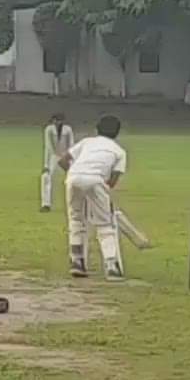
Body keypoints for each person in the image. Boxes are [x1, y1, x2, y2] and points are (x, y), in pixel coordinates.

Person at [58, 114, 127, 282]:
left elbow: (63, 161)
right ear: (117, 133)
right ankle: (111, 266)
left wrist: (77, 175)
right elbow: (112, 182)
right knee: (105, 224)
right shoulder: (119, 151)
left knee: (76, 220)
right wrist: (98, 190)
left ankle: (77, 262)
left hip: (73, 177)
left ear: (96, 130)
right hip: (96, 181)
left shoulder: (87, 142)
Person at [40, 112, 74, 211]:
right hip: (54, 156)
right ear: (53, 121)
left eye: (60, 120)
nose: (58, 122)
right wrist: (46, 165)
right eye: (56, 120)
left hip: (66, 155)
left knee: (73, 178)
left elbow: (71, 144)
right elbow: (48, 147)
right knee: (46, 177)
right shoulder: (49, 129)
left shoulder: (67, 129)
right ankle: (46, 204)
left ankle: (75, 204)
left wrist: (71, 160)